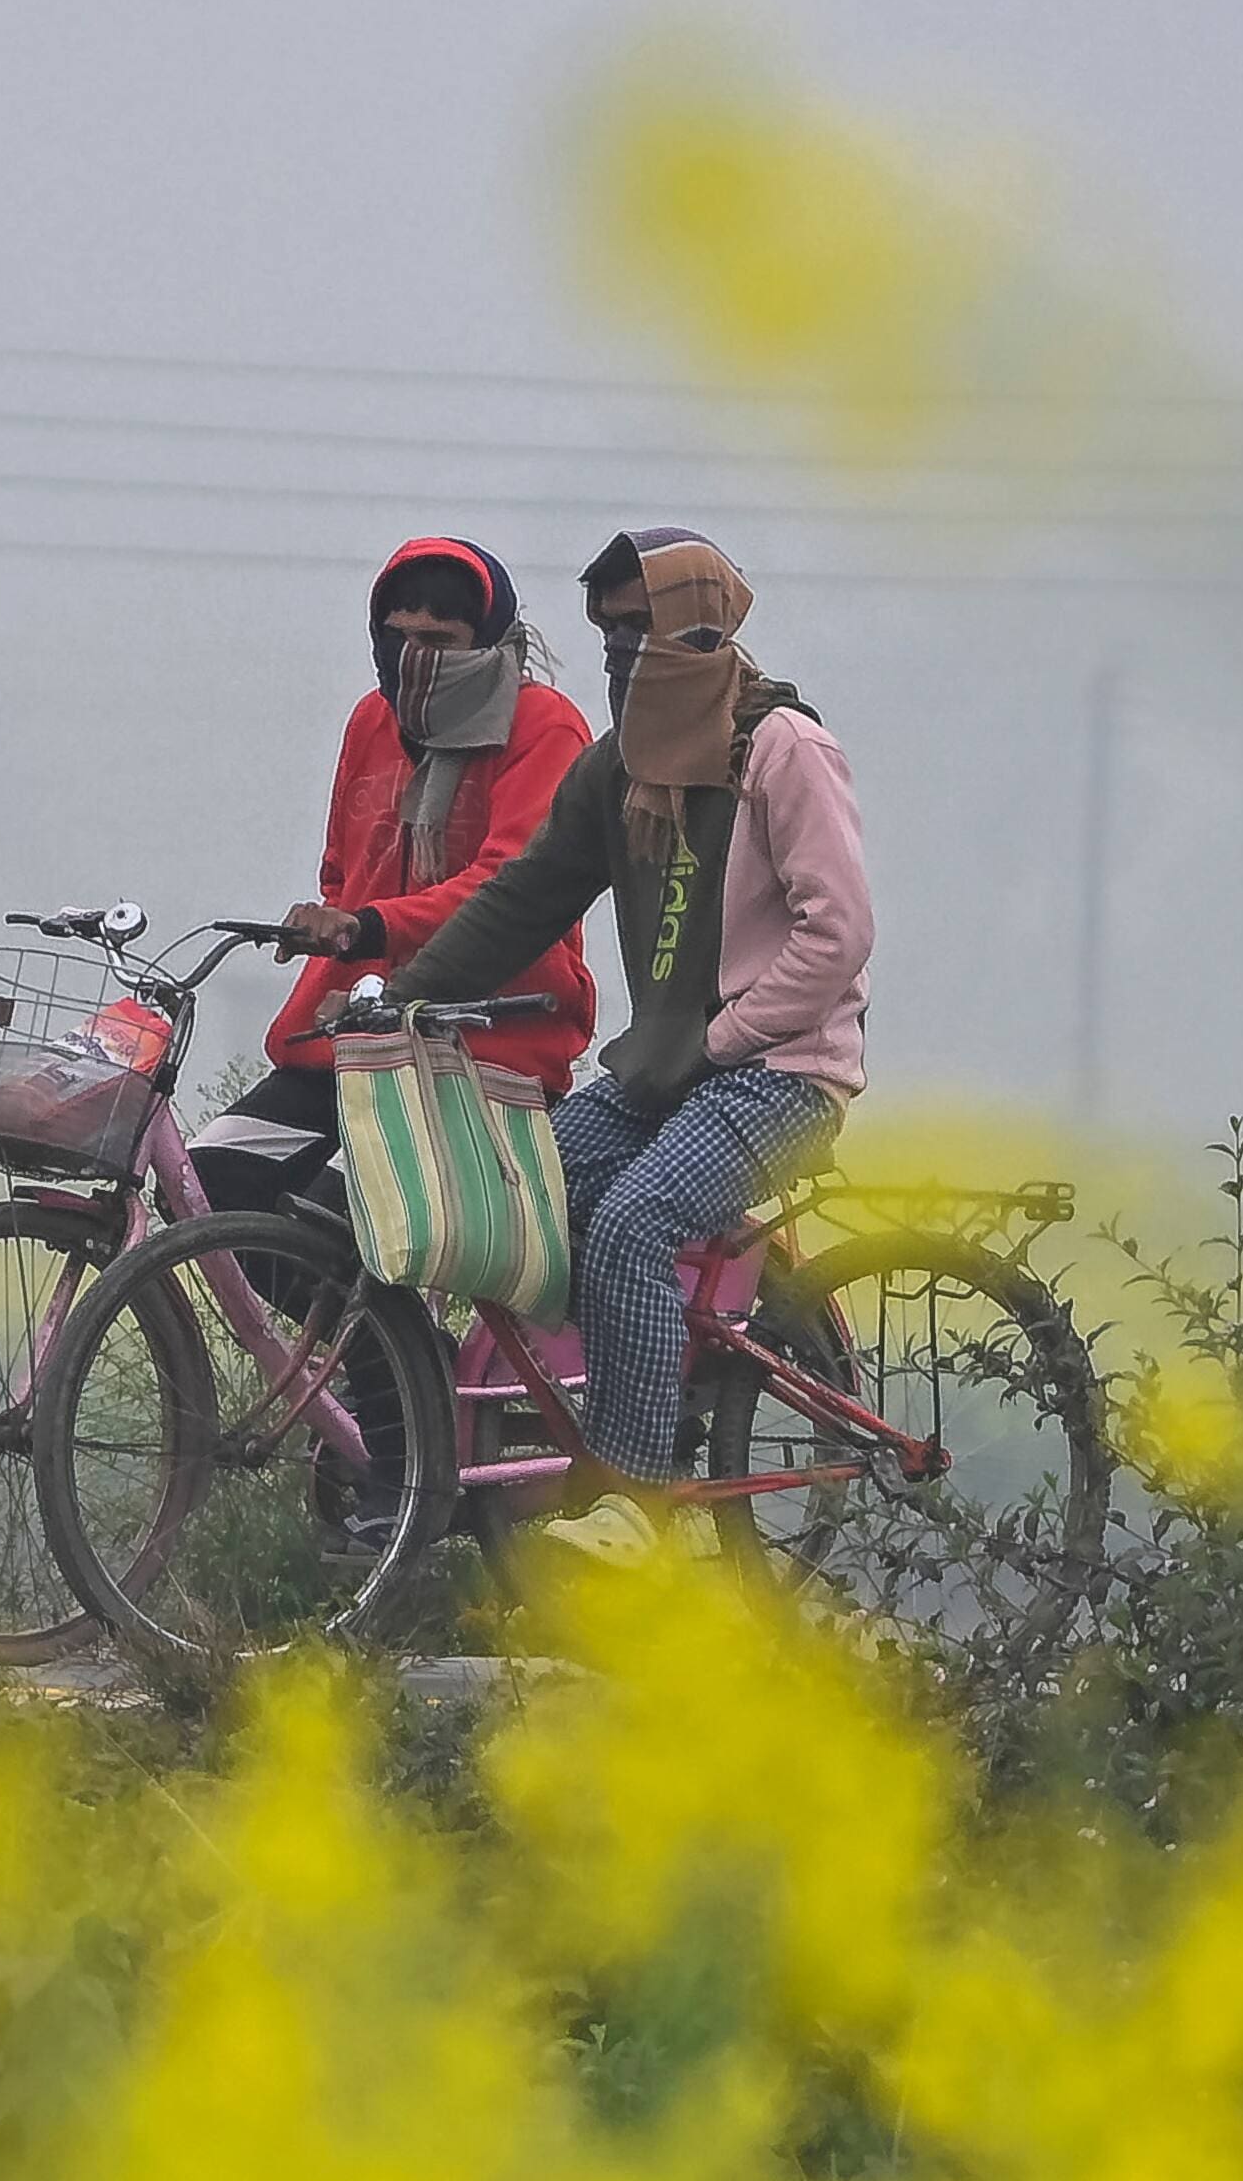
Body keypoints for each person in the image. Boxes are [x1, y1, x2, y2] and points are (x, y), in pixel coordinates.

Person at [362, 525, 873, 1564]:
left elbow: (839, 933)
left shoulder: (782, 751)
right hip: (668, 1070)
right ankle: (579, 1433)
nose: (620, 657)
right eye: (607, 635)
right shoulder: (618, 769)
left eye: (640, 632)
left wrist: (726, 1035)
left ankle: (636, 1499)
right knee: (526, 1191)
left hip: (781, 1075)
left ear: (700, 632)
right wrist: (404, 994)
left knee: (636, 1222)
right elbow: (528, 895)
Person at [190, 534, 598, 1216]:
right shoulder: (371, 721)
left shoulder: (543, 727)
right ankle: (363, 1329)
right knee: (205, 1182)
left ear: (490, 638)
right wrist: (336, 922)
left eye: (439, 639)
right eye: (397, 635)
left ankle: (395, 1329)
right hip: (358, 1036)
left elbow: (513, 887)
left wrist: (365, 926)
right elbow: (342, 871)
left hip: (486, 1044)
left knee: (341, 1213)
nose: (412, 657)